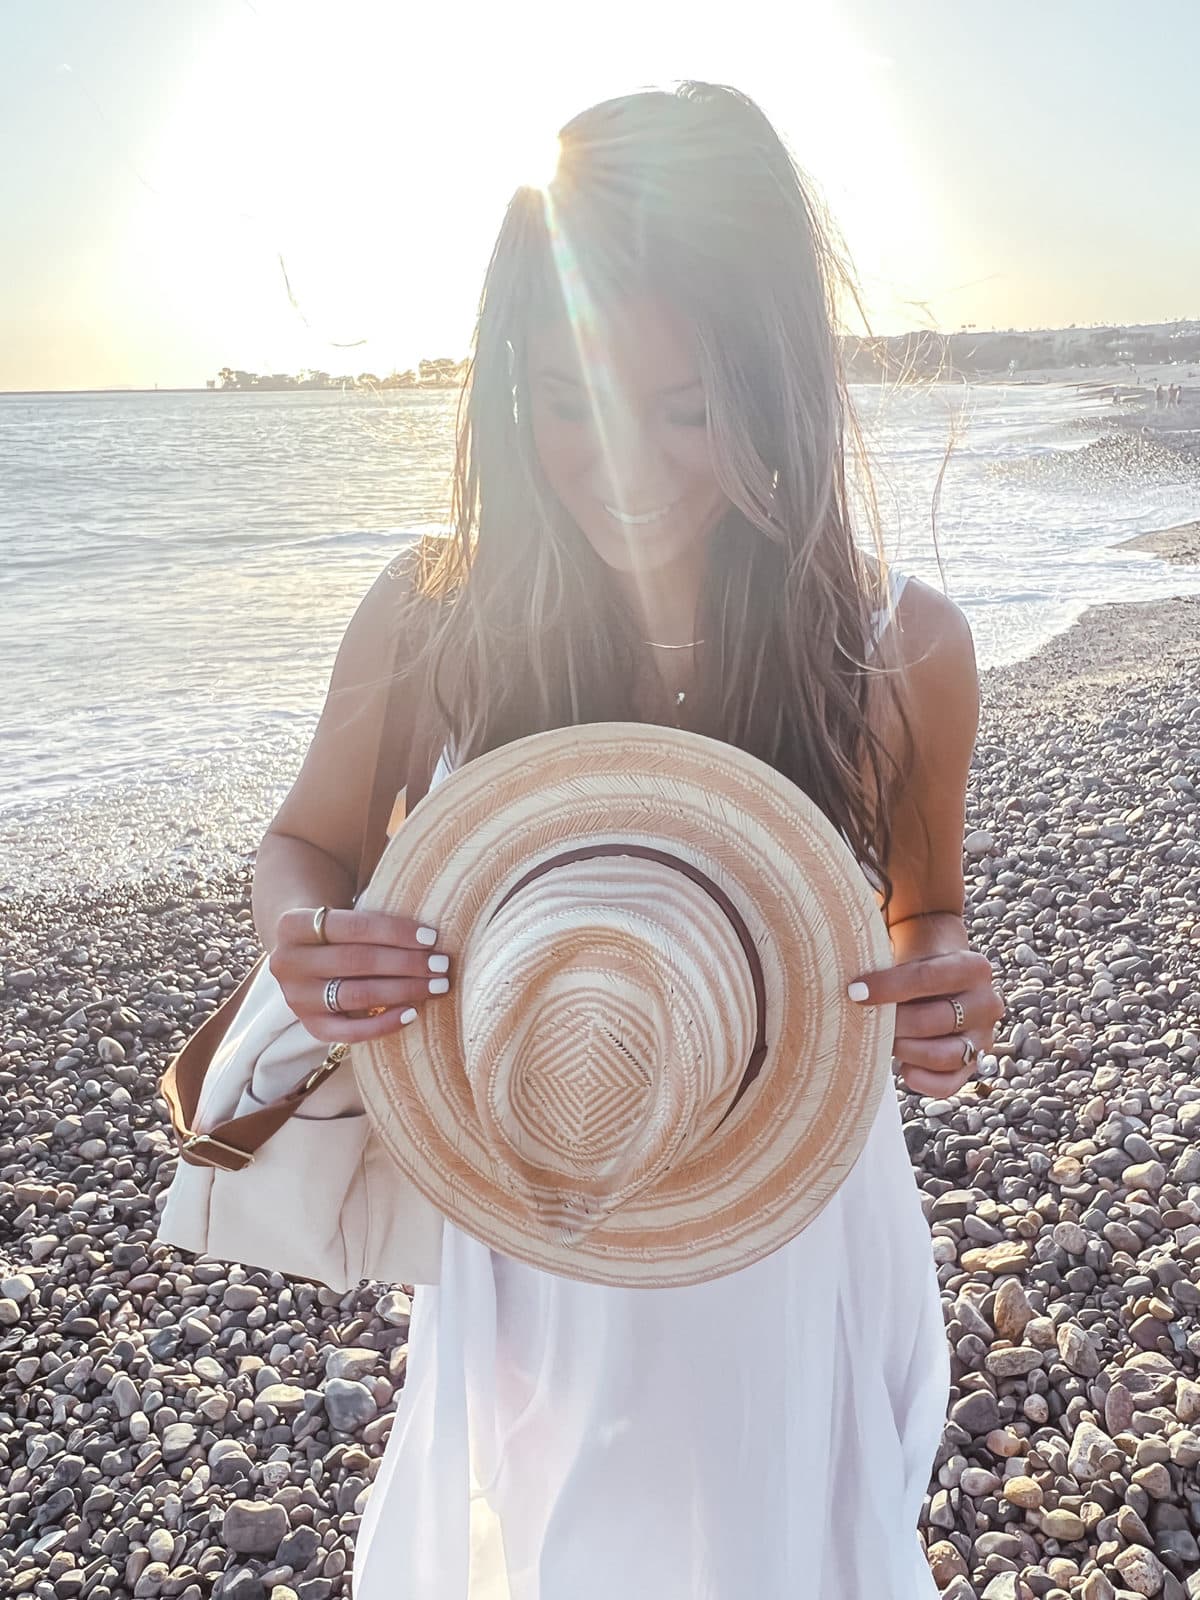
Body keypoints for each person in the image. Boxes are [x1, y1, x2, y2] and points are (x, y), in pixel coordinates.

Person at [252, 83, 1002, 1599]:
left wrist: (943, 994)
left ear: (782, 384)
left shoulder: (896, 649)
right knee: (542, 1527)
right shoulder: (439, 617)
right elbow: (304, 848)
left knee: (776, 1535)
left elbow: (928, 916)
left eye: (691, 407)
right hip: (541, 1167)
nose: (628, 463)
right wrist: (306, 946)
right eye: (566, 395)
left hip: (785, 1197)